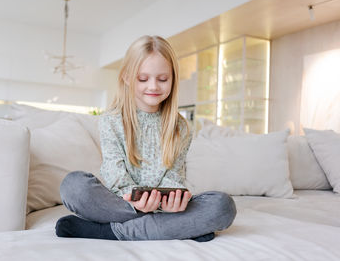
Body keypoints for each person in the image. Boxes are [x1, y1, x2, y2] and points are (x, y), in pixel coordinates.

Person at [55, 35, 236, 241]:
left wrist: (170, 200)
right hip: (122, 204)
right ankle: (174, 229)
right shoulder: (111, 120)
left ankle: (110, 231)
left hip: (163, 209)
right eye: (143, 79)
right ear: (126, 77)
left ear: (173, 79)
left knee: (222, 207)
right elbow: (115, 173)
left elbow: (174, 175)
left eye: (163, 79)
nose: (153, 87)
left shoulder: (181, 127)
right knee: (74, 186)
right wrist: (136, 203)